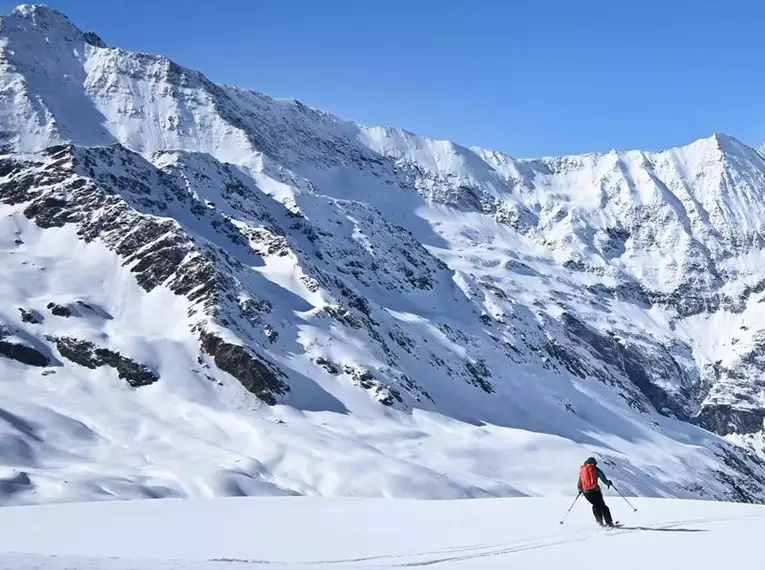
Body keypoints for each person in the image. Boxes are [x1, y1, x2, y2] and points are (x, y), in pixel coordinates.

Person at [577, 457, 615, 527]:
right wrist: (608, 483)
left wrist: (580, 490)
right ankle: (609, 523)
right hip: (595, 491)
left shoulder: (582, 471)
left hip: (586, 493)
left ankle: (600, 522)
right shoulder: (595, 469)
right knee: (602, 506)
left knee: (595, 505)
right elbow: (604, 479)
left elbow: (579, 484)